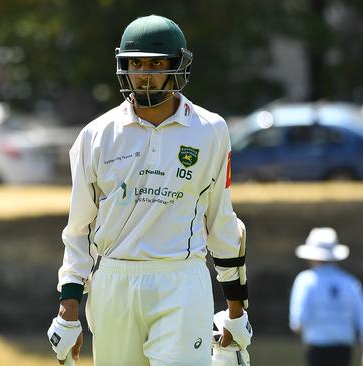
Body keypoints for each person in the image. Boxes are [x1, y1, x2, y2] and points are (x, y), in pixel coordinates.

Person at [47, 15, 252, 365]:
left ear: (176, 66)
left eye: (156, 63)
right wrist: (68, 308)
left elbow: (222, 220)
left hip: (182, 278)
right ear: (122, 67)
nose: (144, 73)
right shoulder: (96, 136)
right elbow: (78, 230)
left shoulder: (210, 130)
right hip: (114, 280)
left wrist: (236, 309)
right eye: (135, 63)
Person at [289, 227, 363, 366]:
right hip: (344, 352)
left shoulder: (305, 281)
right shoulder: (351, 283)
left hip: (317, 351)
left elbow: (298, 322)